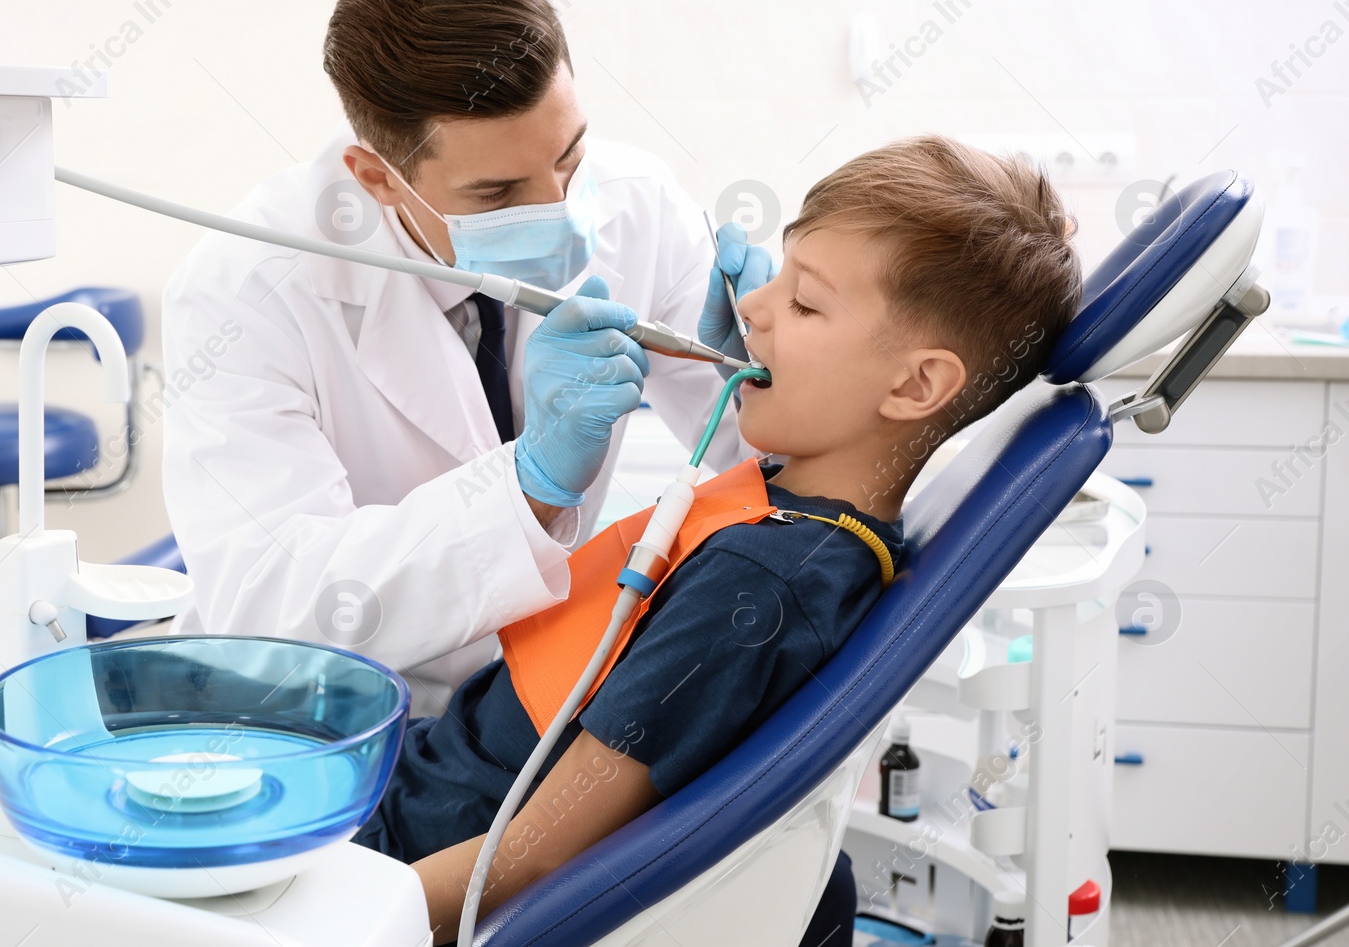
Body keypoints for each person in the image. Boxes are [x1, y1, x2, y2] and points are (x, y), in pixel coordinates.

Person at [350, 135, 1082, 945]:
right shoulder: (799, 527)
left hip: (404, 857)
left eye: (803, 303)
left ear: (916, 384)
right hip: (418, 781)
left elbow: (526, 862)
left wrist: (336, 922)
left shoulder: (758, 586)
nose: (754, 308)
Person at [157, 0, 758, 716]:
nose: (564, 212)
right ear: (377, 178)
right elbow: (271, 603)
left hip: (534, 688)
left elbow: (767, 460)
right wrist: (528, 489)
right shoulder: (246, 289)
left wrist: (769, 369)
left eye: (570, 157)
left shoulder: (640, 204)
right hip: (325, 714)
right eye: (499, 194)